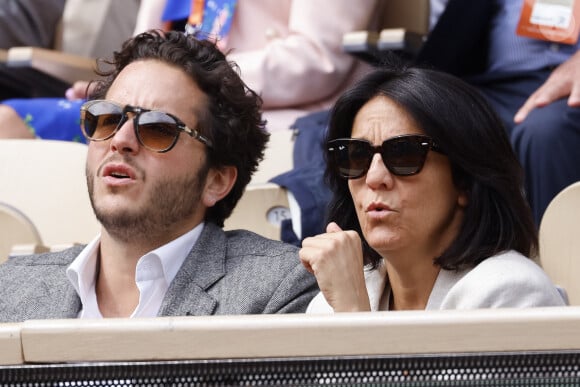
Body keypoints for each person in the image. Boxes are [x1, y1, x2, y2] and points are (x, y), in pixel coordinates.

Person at [0, 30, 318, 322]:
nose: (120, 140)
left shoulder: (278, 290)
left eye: (157, 129)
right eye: (107, 119)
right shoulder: (10, 290)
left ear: (216, 180)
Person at [299, 63, 566, 313]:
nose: (374, 177)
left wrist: (353, 314)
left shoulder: (511, 294)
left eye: (403, 153)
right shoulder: (331, 302)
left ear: (465, 180)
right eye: (357, 156)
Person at [0, 0, 382, 139]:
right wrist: (114, 88)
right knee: (8, 122)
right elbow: (143, 48)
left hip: (258, 115)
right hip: (148, 110)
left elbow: (317, 62)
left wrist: (192, 82)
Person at [417, 0, 580, 225]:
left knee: (545, 132)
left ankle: (559, 256)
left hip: (571, 86)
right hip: (493, 83)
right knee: (416, 117)